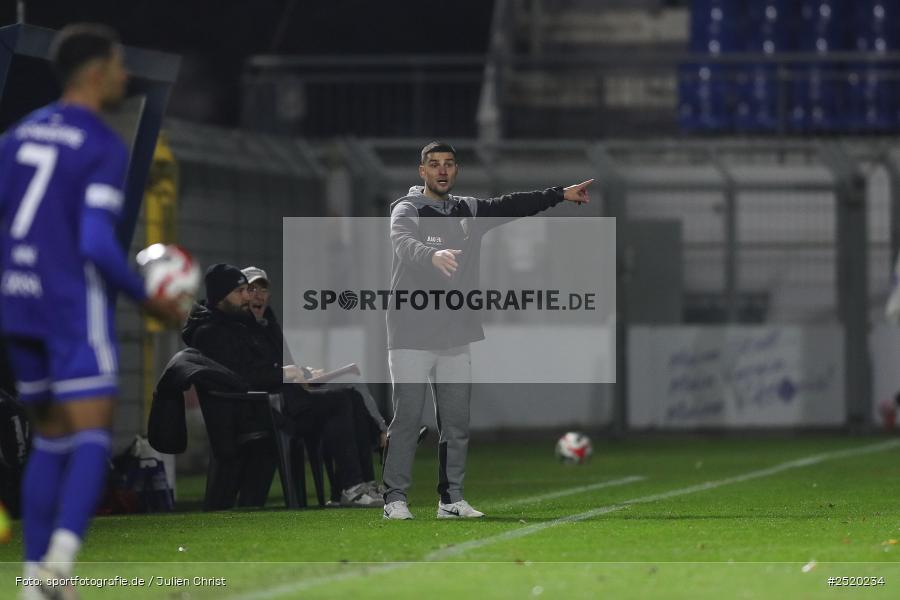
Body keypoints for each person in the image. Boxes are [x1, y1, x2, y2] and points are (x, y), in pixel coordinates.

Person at [0, 24, 185, 596]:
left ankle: (37, 579)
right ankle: (57, 566)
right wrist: (147, 296)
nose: (125, 75)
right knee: (89, 439)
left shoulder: (17, 135)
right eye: (119, 64)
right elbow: (98, 246)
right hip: (69, 307)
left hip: (16, 306)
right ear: (98, 71)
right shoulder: (100, 144)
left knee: (51, 439)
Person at [382, 141, 592, 520]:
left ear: (456, 170)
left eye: (448, 164)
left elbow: (513, 204)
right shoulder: (407, 208)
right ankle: (394, 499)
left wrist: (559, 195)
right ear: (422, 172)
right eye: (434, 165)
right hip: (411, 331)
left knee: (456, 423)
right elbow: (402, 242)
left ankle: (451, 500)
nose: (442, 170)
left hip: (455, 332)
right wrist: (430, 254)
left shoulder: (469, 209)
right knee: (409, 419)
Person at [182, 264, 382, 508]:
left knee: (350, 395)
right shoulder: (211, 332)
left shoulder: (248, 323)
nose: (249, 297)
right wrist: (284, 374)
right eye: (242, 291)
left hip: (278, 402)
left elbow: (271, 365)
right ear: (220, 296)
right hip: (260, 410)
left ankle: (359, 484)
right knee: (339, 401)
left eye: (251, 290)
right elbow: (241, 377)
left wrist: (301, 373)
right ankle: (354, 483)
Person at [242, 265, 387, 497]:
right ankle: (368, 460)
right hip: (273, 408)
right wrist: (291, 374)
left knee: (351, 389)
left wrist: (306, 372)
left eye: (262, 290)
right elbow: (255, 375)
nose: (258, 295)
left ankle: (363, 481)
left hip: (289, 398)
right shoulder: (240, 329)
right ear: (241, 295)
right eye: (251, 289)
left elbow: (283, 367)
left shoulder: (268, 325)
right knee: (341, 400)